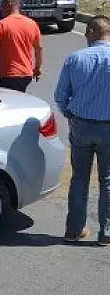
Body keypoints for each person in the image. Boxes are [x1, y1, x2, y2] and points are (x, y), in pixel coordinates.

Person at [54, 15, 110, 246]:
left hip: (81, 126)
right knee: (108, 180)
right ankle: (106, 233)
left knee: (79, 178)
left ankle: (74, 229)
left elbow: (60, 96)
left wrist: (69, 113)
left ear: (90, 32)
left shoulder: (74, 58)